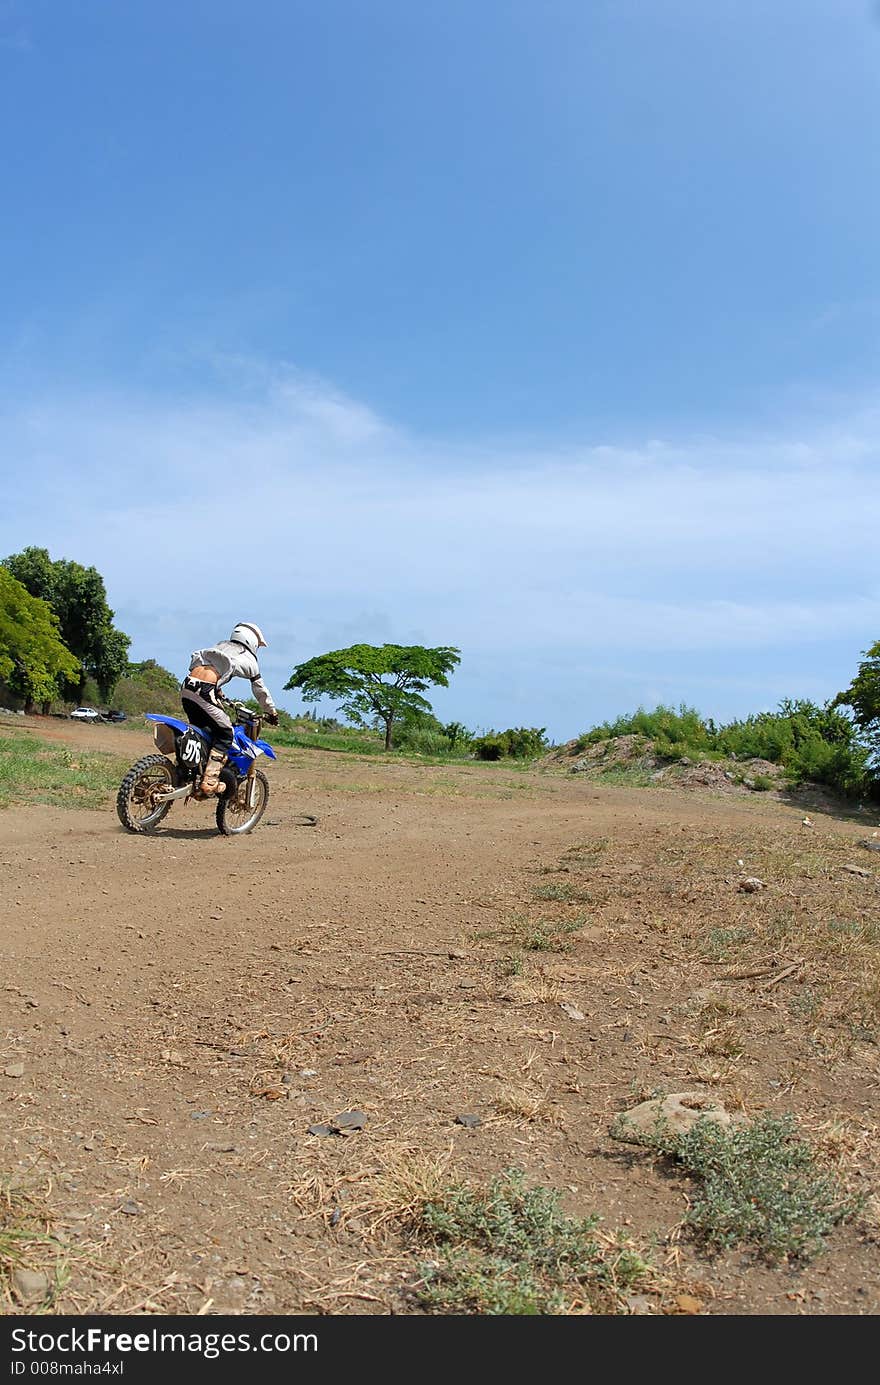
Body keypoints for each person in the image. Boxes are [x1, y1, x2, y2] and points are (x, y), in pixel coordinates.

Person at [180, 621, 279, 796]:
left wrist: (218, 691)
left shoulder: (220, 646)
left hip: (187, 686)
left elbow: (207, 670)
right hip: (204, 691)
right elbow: (260, 690)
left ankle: (189, 771)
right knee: (226, 733)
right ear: (252, 642)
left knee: (202, 731)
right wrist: (271, 712)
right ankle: (210, 780)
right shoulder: (248, 659)